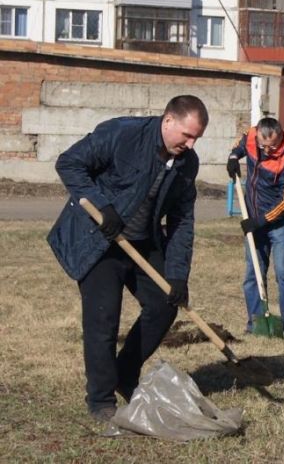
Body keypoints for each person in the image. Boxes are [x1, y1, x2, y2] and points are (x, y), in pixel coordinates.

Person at [47, 95, 209, 423]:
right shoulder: (122, 134)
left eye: (197, 138)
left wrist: (177, 275)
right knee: (103, 318)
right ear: (168, 121)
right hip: (100, 239)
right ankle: (101, 398)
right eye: (187, 135)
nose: (191, 145)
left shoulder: (186, 164)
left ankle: (125, 371)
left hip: (142, 241)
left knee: (165, 303)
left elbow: (181, 220)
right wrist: (100, 205)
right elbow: (69, 162)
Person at [226, 117, 284, 336]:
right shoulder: (253, 137)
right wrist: (234, 157)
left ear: (280, 136)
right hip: (253, 217)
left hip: (282, 224)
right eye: (263, 145)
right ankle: (256, 323)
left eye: (272, 145)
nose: (267, 150)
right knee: (253, 273)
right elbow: (242, 144)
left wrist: (259, 221)